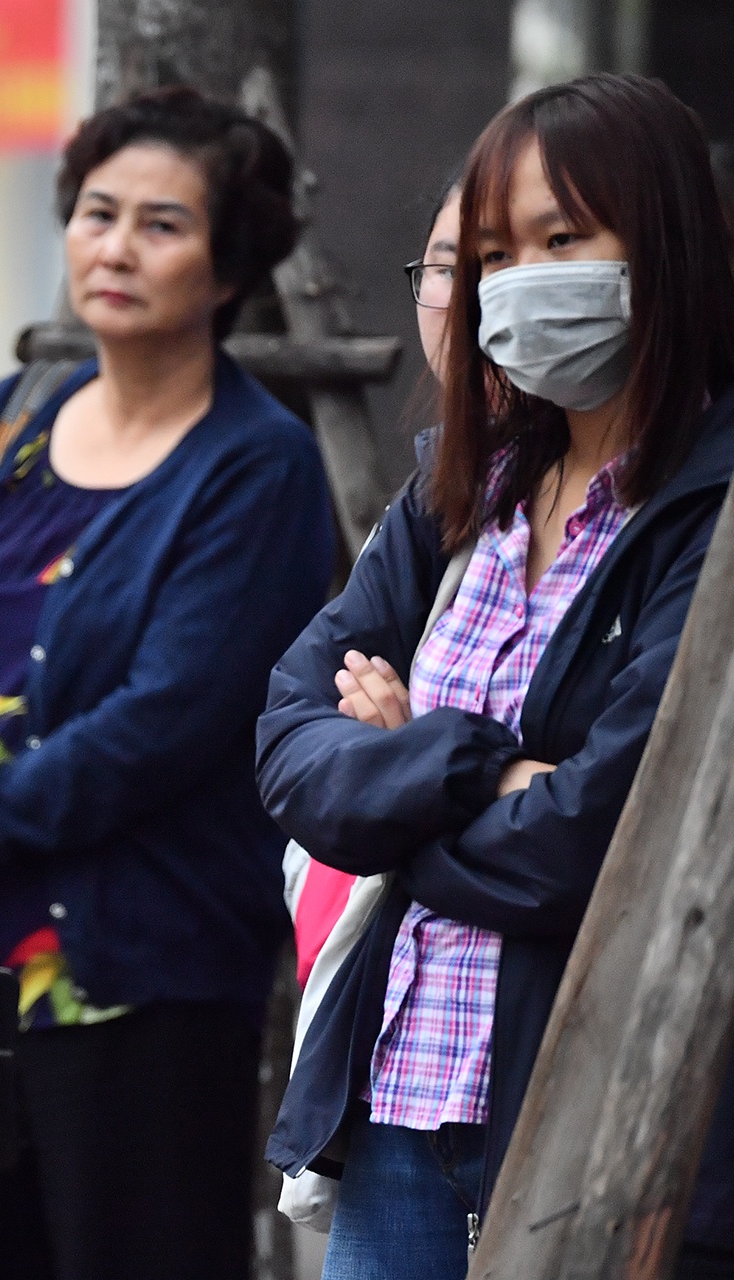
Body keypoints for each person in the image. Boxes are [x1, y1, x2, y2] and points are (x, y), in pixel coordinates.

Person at [262, 73, 734, 1279]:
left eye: (561, 239)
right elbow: (288, 743)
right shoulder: (460, 493)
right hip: (400, 1101)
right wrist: (477, 759)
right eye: (490, 252)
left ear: (666, 242)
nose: (517, 279)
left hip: (599, 1111)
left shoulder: (708, 514)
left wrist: (402, 760)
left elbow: (600, 839)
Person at [0, 86, 335, 1278]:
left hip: (141, 977)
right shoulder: (11, 421)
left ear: (226, 268)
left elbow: (167, 723)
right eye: (98, 212)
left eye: (161, 224)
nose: (114, 246)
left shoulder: (258, 465)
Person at [291, 177, 464, 985]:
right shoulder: (437, 491)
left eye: (545, 251)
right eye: (450, 264)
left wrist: (414, 758)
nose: (477, 297)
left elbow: (584, 831)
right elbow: (291, 727)